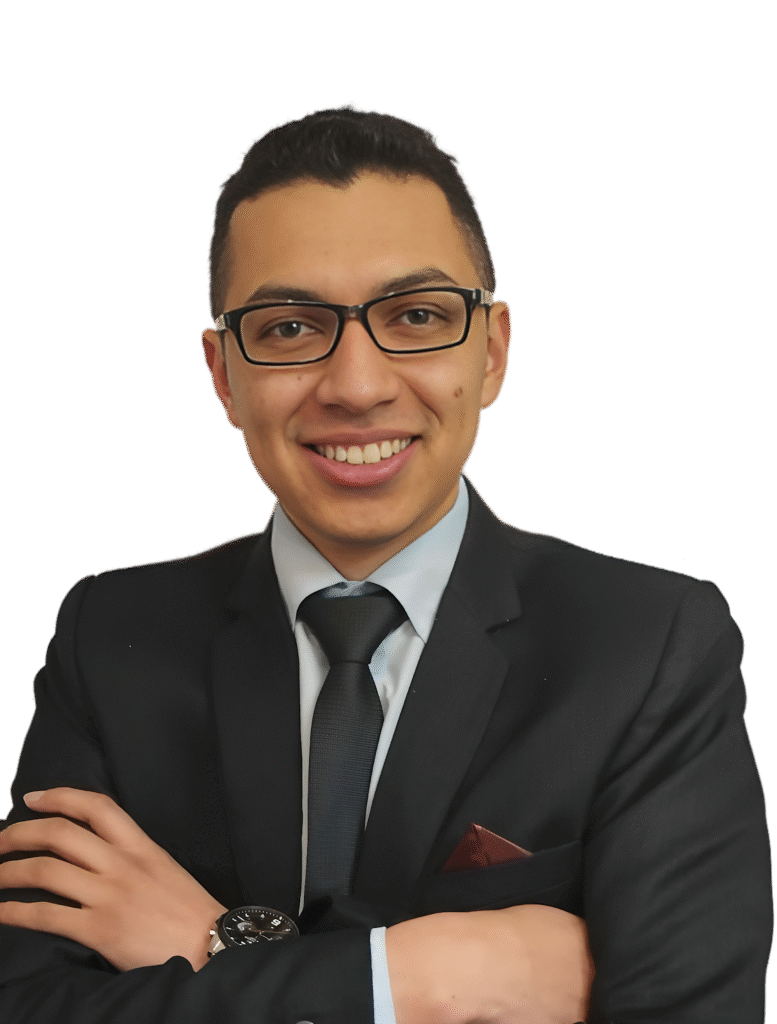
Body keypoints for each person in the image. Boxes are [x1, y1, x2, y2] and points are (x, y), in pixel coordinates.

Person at [0, 107, 771, 1024]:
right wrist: (417, 977)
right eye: (288, 328)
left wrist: (215, 945)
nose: (357, 386)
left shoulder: (650, 644)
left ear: (492, 353)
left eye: (415, 316)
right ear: (222, 376)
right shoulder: (109, 640)